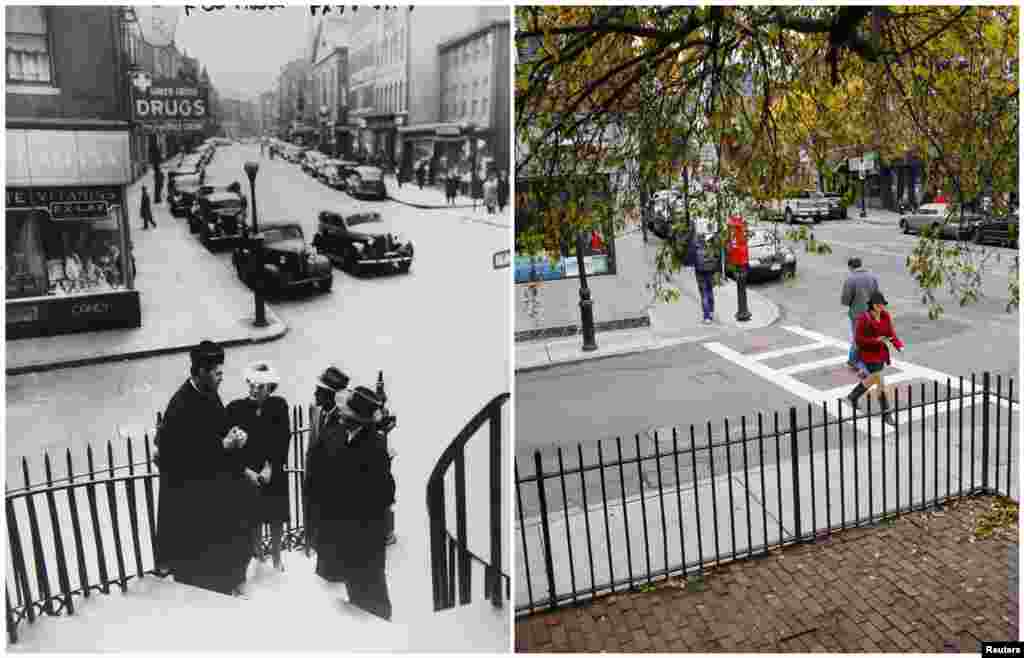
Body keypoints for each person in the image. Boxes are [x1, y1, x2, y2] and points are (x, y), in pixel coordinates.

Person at [154, 341, 252, 596]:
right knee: (202, 570)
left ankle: (229, 586)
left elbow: (217, 428)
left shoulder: (208, 392)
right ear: (200, 372)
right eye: (217, 373)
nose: (222, 377)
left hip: (213, 494)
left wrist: (233, 434)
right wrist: (223, 444)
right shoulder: (180, 405)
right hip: (193, 504)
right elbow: (178, 457)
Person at [305, 385, 395, 621]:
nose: (340, 414)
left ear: (356, 420)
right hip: (343, 533)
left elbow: (385, 494)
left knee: (371, 596)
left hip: (364, 537)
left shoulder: (374, 447)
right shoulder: (338, 436)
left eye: (345, 413)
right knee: (355, 592)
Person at [226, 362, 291, 577]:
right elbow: (232, 444)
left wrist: (271, 466)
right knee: (253, 517)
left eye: (260, 387)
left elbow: (283, 438)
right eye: (252, 385)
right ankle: (259, 557)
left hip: (273, 469)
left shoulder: (279, 406)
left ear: (270, 387)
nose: (255, 390)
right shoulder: (236, 408)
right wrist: (247, 471)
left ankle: (277, 558)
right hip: (250, 472)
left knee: (276, 516)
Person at [303, 366, 350, 554]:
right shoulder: (319, 412)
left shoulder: (341, 420)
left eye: (319, 391)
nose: (315, 393)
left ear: (330, 395)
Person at [844, 291, 905, 426]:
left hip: (880, 355)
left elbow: (890, 333)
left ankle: (854, 395)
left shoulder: (885, 316)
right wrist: (876, 341)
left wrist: (898, 345)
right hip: (868, 355)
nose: (882, 307)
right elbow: (858, 340)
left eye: (883, 304)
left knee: (873, 379)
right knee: (880, 380)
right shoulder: (864, 318)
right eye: (880, 305)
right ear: (873, 305)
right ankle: (886, 413)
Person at [840, 257, 878, 378]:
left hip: (857, 314)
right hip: (871, 313)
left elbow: (845, 300)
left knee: (858, 338)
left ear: (851, 266)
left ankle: (854, 361)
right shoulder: (872, 276)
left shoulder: (850, 279)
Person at [687, 223, 720, 324]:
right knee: (710, 291)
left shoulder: (695, 241)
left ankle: (706, 317)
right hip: (711, 269)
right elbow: (717, 254)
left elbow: (691, 256)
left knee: (703, 293)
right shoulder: (712, 240)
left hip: (700, 270)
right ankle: (711, 312)